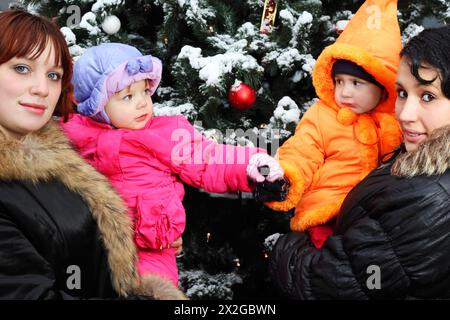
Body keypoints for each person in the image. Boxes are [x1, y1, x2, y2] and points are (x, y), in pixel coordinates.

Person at [60, 43, 284, 287]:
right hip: (94, 248)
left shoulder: (165, 134)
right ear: (97, 106)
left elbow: (207, 158)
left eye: (145, 92)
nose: (142, 103)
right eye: (128, 96)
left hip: (152, 250)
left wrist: (250, 165)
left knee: (153, 290)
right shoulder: (75, 135)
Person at [0, 10, 187, 300]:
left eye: (53, 75)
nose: (41, 89)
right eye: (22, 68)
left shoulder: (64, 156)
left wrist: (151, 233)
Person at [269, 24, 450, 299]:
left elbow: (328, 285)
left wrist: (283, 247)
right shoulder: (417, 155)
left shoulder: (431, 200)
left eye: (428, 96)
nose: (405, 114)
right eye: (402, 93)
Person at [265, 0, 403, 248]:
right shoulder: (323, 116)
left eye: (356, 83)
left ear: (382, 85)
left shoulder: (395, 122)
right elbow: (302, 150)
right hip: (327, 211)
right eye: (339, 82)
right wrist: (286, 177)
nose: (344, 92)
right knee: (330, 255)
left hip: (377, 216)